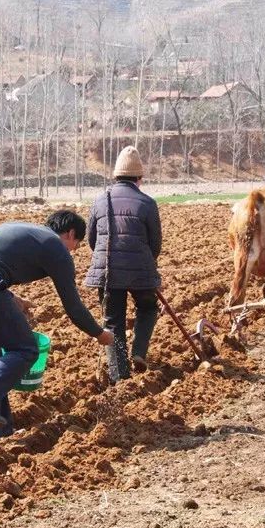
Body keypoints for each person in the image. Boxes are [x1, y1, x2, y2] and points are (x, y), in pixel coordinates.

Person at [0, 210, 114, 445]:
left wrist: (15, 299)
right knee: (26, 349)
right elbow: (73, 307)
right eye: (76, 244)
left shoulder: (29, 233)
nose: (73, 250)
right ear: (71, 233)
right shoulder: (56, 247)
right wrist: (99, 333)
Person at [85, 146, 162, 384]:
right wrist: (147, 265)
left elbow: (92, 239)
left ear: (116, 176)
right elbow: (155, 243)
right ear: (139, 178)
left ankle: (121, 377)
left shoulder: (100, 200)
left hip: (107, 271)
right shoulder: (147, 203)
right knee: (148, 307)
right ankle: (138, 352)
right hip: (140, 270)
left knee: (113, 322)